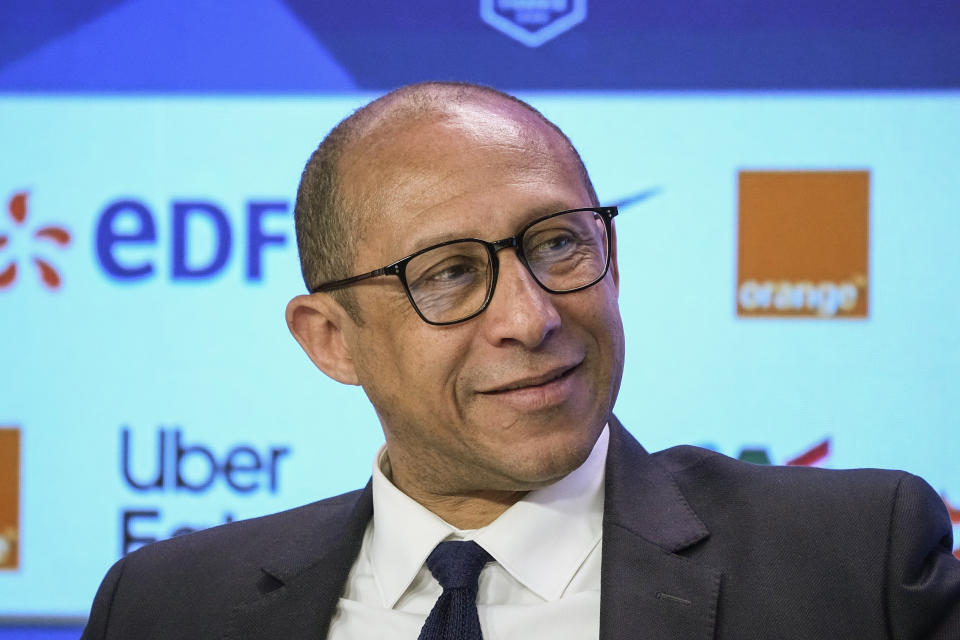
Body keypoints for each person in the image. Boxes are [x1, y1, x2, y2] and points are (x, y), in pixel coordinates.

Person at [81, 82, 960, 639]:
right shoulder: (165, 608)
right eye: (451, 273)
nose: (531, 316)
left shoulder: (856, 562)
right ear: (332, 340)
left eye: (558, 245)